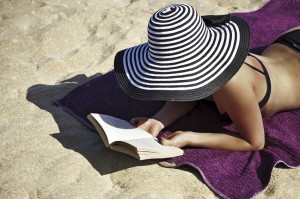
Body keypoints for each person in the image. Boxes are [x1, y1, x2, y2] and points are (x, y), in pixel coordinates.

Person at [113, 3, 300, 151]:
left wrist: (190, 138)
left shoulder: (232, 83)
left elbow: (254, 142)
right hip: (288, 41)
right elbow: (191, 93)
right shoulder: (211, 64)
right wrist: (157, 120)